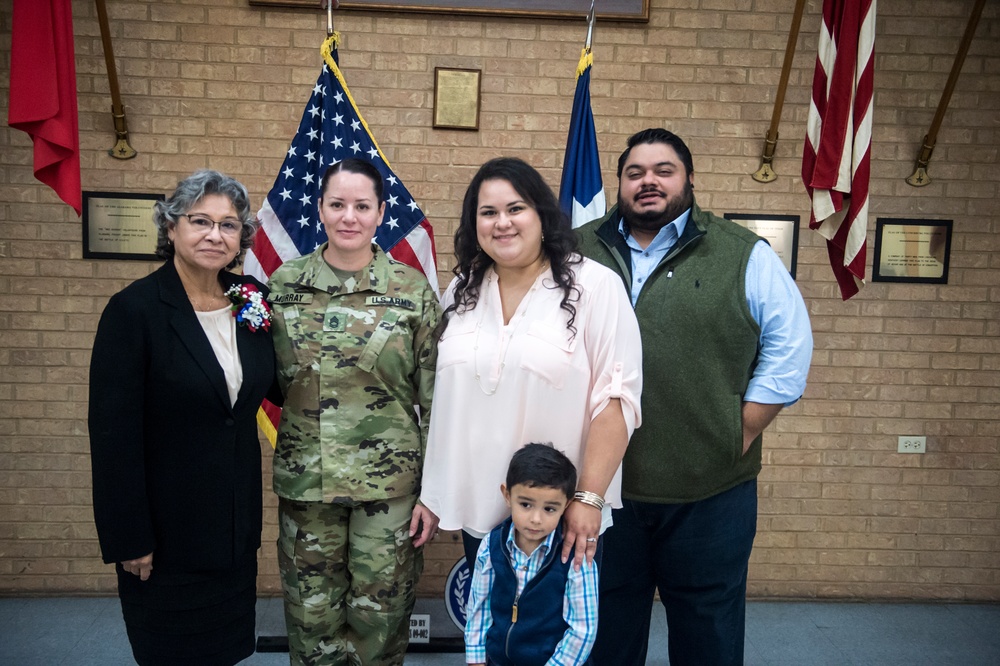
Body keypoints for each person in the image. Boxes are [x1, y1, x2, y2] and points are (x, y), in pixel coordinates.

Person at [577, 128, 814, 666]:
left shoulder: (741, 253)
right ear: (620, 183)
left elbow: (790, 347)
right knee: (604, 633)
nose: (649, 182)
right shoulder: (578, 249)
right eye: (635, 173)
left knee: (707, 632)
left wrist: (742, 428)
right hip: (603, 490)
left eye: (664, 170)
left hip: (710, 491)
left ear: (688, 179)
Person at [88, 170, 277, 665]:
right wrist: (130, 537)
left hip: (233, 529)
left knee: (226, 651)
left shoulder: (250, 300)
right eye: (200, 221)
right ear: (171, 228)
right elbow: (113, 437)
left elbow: (273, 386)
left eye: (229, 225)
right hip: (165, 536)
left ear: (242, 238)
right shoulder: (133, 311)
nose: (215, 235)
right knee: (172, 652)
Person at [420, 157, 642, 571]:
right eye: (488, 213)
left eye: (515, 208)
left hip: (557, 514)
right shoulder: (461, 290)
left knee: (555, 633)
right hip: (479, 515)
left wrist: (588, 498)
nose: (502, 222)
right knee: (491, 631)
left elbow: (617, 400)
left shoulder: (595, 287)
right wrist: (433, 494)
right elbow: (445, 405)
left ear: (542, 214)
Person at [267, 157, 441, 665]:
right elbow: (265, 378)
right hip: (308, 485)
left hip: (388, 492)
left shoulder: (411, 291)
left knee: (381, 621)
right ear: (319, 208)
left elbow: (435, 398)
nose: (349, 216)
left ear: (381, 212)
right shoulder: (283, 286)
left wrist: (434, 490)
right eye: (337, 204)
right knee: (310, 618)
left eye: (362, 205)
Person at [465, 443, 598, 666]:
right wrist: (476, 657)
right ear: (507, 495)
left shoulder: (575, 557)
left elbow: (583, 629)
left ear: (567, 505)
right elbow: (479, 606)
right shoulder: (492, 544)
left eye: (549, 509)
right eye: (526, 504)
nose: (536, 519)